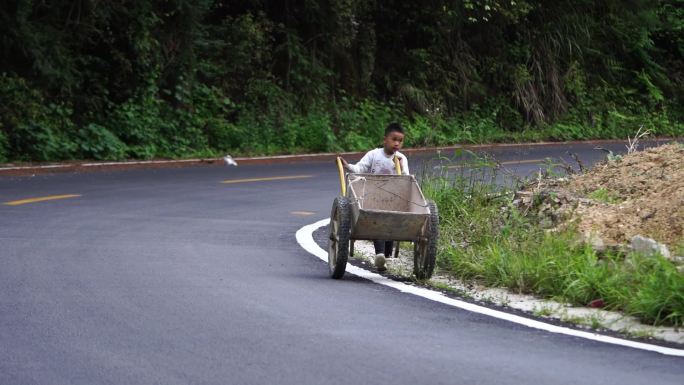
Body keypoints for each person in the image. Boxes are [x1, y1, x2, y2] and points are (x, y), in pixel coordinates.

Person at [339, 122, 409, 272]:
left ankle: (386, 256)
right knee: (378, 220)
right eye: (394, 139)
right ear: (385, 140)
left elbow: (406, 180)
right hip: (373, 196)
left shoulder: (401, 158)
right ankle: (380, 254)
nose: (397, 143)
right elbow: (360, 168)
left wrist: (402, 169)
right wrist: (348, 167)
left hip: (393, 197)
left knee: (391, 222)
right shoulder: (374, 155)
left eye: (400, 140)